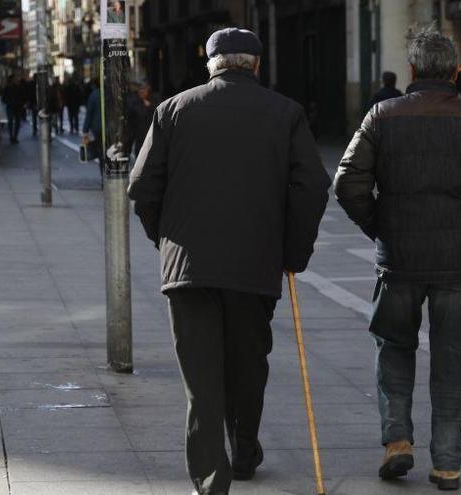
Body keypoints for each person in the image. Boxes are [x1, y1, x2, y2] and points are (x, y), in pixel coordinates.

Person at [127, 27, 330, 495]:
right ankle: (243, 450)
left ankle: (211, 480)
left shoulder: (173, 110)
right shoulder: (286, 113)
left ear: (210, 64)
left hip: (188, 269)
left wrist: (166, 240)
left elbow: (142, 188)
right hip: (254, 265)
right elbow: (313, 187)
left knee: (201, 377)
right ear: (255, 65)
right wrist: (292, 253)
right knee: (247, 364)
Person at [334, 27, 461, 491]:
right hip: (457, 264)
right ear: (456, 73)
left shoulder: (382, 115)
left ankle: (397, 439)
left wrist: (379, 226)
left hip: (398, 260)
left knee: (393, 348)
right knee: (454, 359)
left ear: (413, 71)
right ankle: (447, 463)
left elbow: (347, 184)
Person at [125, 80, 155, 156]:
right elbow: (131, 121)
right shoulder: (134, 103)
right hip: (139, 137)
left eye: (143, 90)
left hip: (151, 136)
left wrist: (150, 106)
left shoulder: (153, 100)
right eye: (140, 90)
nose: (141, 92)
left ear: (148, 90)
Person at [82, 78, 103, 179]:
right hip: (110, 129)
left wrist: (85, 131)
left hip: (98, 128)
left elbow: (89, 113)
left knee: (101, 153)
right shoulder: (111, 93)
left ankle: (104, 176)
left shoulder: (94, 95)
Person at [1, 74, 26, 144]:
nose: (16, 80)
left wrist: (21, 103)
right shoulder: (7, 88)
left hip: (17, 107)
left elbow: (23, 96)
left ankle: (14, 137)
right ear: (11, 80)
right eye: (14, 79)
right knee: (11, 122)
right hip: (10, 107)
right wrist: (9, 102)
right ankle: (12, 137)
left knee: (17, 122)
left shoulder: (19, 87)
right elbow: (3, 98)